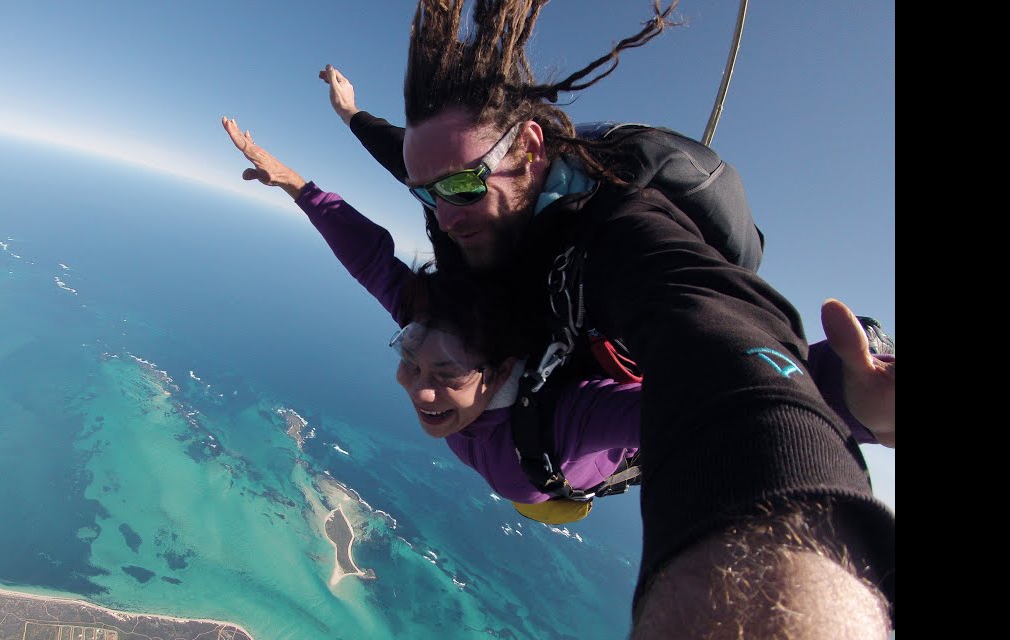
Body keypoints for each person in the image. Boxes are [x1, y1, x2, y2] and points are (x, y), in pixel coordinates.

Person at [318, 0, 896, 640]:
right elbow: (414, 157)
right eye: (423, 195)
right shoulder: (459, 187)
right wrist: (350, 115)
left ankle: (841, 388)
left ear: (530, 148)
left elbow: (716, 338)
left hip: (603, 407)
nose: (443, 215)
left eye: (462, 186)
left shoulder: (622, 235)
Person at [221, 117, 894, 530]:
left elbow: (718, 394)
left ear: (504, 370)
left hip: (550, 478)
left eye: (444, 377)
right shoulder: (444, 328)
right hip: (525, 474)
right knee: (524, 489)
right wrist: (298, 186)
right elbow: (371, 259)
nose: (418, 388)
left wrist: (843, 395)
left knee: (539, 497)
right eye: (412, 362)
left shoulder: (570, 428)